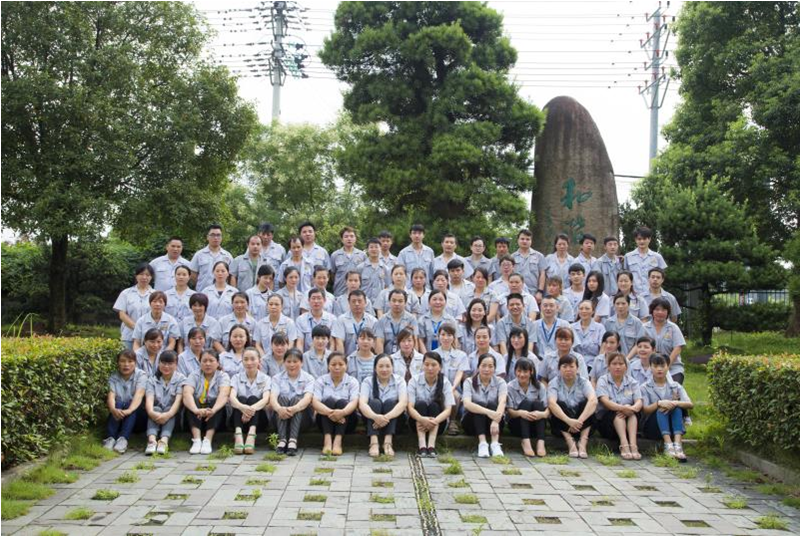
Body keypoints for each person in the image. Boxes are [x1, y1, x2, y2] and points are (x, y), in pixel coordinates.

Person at [640, 353, 693, 461]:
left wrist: (674, 403)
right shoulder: (644, 387)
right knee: (661, 408)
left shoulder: (676, 386)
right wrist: (659, 403)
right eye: (655, 366)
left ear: (668, 367)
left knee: (676, 407)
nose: (659, 369)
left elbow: (690, 404)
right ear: (650, 367)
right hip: (653, 428)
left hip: (672, 427)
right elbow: (645, 410)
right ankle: (668, 445)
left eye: (662, 366)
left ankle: (677, 445)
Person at [594, 352, 643, 460]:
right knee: (618, 414)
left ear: (626, 367)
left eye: (621, 364)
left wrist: (631, 408)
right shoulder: (603, 380)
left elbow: (639, 401)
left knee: (632, 414)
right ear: (608, 366)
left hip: (629, 422)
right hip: (608, 423)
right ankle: (624, 445)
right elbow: (605, 401)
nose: (618, 367)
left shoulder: (632, 382)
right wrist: (623, 408)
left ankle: (633, 445)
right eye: (614, 364)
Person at [548, 354, 597, 458]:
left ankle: (583, 442)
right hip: (563, 424)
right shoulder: (554, 382)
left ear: (577, 368)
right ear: (559, 369)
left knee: (587, 404)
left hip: (582, 424)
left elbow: (593, 400)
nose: (568, 369)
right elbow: (551, 403)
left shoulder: (584, 382)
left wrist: (579, 422)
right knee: (558, 405)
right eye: (564, 366)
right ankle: (570, 442)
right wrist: (569, 421)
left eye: (571, 366)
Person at [183, 349, 231, 455]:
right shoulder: (194, 375)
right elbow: (187, 393)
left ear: (217, 363)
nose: (207, 364)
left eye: (211, 361)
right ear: (200, 362)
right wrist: (196, 410)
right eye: (204, 361)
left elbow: (224, 395)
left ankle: (207, 440)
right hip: (197, 415)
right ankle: (196, 440)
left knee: (216, 402)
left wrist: (213, 410)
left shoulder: (223, 376)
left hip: (216, 416)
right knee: (192, 401)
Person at [359, 354, 408, 458]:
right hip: (373, 422)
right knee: (375, 403)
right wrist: (375, 417)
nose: (384, 369)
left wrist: (386, 417)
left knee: (390, 403)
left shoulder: (399, 381)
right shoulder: (367, 381)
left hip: (394, 422)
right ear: (375, 368)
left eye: (387, 366)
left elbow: (403, 403)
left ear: (392, 367)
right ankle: (373, 442)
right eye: (381, 366)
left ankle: (388, 442)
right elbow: (362, 404)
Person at [312, 352, 360, 455]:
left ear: (346, 366)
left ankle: (338, 442)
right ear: (328, 366)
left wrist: (342, 412)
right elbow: (315, 402)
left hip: (347, 422)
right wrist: (331, 413)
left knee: (342, 402)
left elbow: (354, 402)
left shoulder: (352, 381)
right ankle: (327, 441)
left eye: (341, 364)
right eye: (333, 364)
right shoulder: (321, 380)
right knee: (328, 401)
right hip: (324, 421)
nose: (337, 367)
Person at [407, 352, 455, 457]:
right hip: (417, 422)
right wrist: (421, 419)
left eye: (433, 365)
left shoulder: (445, 382)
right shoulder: (414, 381)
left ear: (440, 367)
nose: (430, 368)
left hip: (438, 423)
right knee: (421, 404)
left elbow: (448, 410)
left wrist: (434, 422)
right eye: (427, 364)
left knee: (434, 405)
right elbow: (410, 407)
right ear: (422, 365)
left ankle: (431, 446)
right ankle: (422, 446)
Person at [270, 348, 315, 455]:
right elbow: (273, 397)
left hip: (302, 420)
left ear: (301, 363)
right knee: (282, 399)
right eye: (288, 361)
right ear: (284, 362)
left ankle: (293, 440)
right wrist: (279, 409)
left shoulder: (309, 378)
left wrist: (293, 409)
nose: (292, 365)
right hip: (280, 418)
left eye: (295, 361)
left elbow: (307, 398)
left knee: (296, 400)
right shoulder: (277, 378)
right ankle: (282, 439)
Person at [462, 353, 508, 458]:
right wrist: (488, 412)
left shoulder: (500, 382)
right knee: (479, 405)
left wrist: (495, 420)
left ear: (495, 368)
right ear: (478, 367)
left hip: (494, 425)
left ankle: (495, 443)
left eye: (490, 366)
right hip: (472, 424)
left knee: (492, 404)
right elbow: (467, 404)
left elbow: (503, 401)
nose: (487, 369)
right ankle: (482, 443)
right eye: (483, 366)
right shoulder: (469, 382)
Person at [103, 349, 147, 454]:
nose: (126, 365)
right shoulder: (113, 376)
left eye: (130, 361)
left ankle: (123, 439)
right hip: (119, 415)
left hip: (137, 416)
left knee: (129, 404)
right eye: (122, 361)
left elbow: (139, 395)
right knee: (117, 403)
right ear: (118, 363)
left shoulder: (141, 375)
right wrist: (113, 409)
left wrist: (129, 410)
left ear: (135, 363)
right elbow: (111, 395)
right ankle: (110, 438)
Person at [229, 347, 271, 455]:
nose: (249, 362)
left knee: (253, 399)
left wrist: (250, 410)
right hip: (238, 420)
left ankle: (252, 434)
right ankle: (238, 434)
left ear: (259, 360)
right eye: (246, 359)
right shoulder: (236, 377)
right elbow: (232, 398)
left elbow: (266, 399)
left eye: (253, 359)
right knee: (241, 399)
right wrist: (242, 407)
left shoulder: (266, 378)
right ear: (242, 361)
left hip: (259, 421)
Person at [144, 350, 185, 455]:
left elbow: (178, 402)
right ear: (159, 363)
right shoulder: (152, 380)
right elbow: (149, 399)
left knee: (168, 408)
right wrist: (151, 413)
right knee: (155, 408)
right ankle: (152, 440)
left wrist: (167, 415)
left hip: (174, 416)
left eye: (170, 363)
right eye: (163, 363)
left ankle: (164, 441)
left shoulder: (181, 379)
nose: (166, 366)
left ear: (176, 365)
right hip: (156, 416)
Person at [506, 359, 549, 457]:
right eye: (519, 371)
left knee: (538, 404)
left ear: (531, 372)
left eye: (525, 371)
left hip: (535, 424)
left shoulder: (540, 386)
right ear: (515, 371)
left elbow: (547, 408)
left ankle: (541, 442)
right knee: (526, 402)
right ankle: (525, 442)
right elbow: (509, 411)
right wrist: (520, 413)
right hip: (517, 425)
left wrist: (542, 414)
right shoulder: (510, 386)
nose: (522, 374)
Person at [433, 324, 469, 435]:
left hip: (454, 388)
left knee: (455, 395)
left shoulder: (461, 355)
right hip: (437, 387)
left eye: (449, 335)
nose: (446, 338)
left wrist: (452, 388)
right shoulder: (433, 354)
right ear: (438, 336)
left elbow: (459, 374)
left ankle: (452, 421)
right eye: (443, 334)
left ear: (454, 337)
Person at [643, 298, 687, 384]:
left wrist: (666, 365)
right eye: (657, 309)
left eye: (663, 310)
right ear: (652, 311)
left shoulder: (673, 328)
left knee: (674, 389)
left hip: (673, 368)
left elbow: (678, 348)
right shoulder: (644, 328)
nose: (660, 312)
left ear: (668, 312)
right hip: (650, 367)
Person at [113, 262, 155, 350]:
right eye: (141, 274)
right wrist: (137, 328)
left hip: (149, 337)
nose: (144, 277)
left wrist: (146, 331)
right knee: (127, 358)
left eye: (147, 275)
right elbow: (122, 314)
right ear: (136, 276)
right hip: (129, 335)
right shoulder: (126, 293)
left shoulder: (156, 294)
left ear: (151, 277)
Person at [624, 226, 667, 296]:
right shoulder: (628, 257)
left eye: (644, 239)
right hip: (634, 295)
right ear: (635, 240)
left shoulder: (657, 257)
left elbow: (662, 276)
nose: (642, 241)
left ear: (649, 239)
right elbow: (625, 276)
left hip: (652, 295)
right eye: (639, 239)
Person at [190, 224, 234, 293]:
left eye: (218, 235)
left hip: (222, 294)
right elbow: (193, 274)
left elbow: (231, 275)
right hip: (202, 293)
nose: (216, 238)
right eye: (212, 235)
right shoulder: (199, 255)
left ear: (221, 237)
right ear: (207, 237)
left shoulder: (227, 256)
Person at [333, 289, 378, 356]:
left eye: (359, 301)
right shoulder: (341, 320)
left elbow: (376, 343)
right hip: (347, 358)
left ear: (365, 302)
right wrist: (343, 360)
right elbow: (339, 342)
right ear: (349, 303)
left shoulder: (373, 321)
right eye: (353, 301)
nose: (357, 304)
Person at [374, 289, 418, 354]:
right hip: (387, 357)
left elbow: (414, 341)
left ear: (405, 303)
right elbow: (379, 342)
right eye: (394, 301)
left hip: (405, 357)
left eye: (400, 301)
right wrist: (382, 358)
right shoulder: (382, 320)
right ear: (389, 302)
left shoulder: (411, 319)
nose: (396, 304)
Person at [604, 293, 646, 359]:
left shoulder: (637, 323)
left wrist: (627, 359)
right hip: (612, 360)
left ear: (628, 305)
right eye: (617, 304)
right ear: (614, 305)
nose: (620, 306)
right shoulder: (608, 322)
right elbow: (605, 344)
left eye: (623, 303)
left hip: (632, 360)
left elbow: (639, 344)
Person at [296, 288, 339, 352]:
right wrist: (302, 357)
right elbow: (300, 342)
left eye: (319, 298)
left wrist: (329, 356)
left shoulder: (332, 319)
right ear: (308, 300)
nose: (316, 301)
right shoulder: (301, 319)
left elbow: (332, 343)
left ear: (324, 300)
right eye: (313, 298)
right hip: (307, 355)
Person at [331, 226, 367, 297]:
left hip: (357, 293)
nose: (349, 238)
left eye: (351, 236)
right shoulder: (335, 255)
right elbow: (332, 274)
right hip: (339, 292)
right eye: (346, 236)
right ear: (342, 239)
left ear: (355, 238)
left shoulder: (362, 255)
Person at [512, 229, 546, 301]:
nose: (525, 241)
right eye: (522, 239)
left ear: (531, 241)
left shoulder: (539, 256)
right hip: (517, 293)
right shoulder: (512, 257)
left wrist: (540, 291)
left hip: (534, 293)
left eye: (527, 239)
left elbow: (542, 274)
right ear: (518, 240)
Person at [358, 238, 390, 304]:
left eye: (376, 247)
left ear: (380, 249)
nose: (374, 249)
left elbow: (387, 287)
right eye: (371, 247)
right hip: (364, 303)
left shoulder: (385, 268)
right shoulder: (360, 268)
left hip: (380, 304)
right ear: (367, 250)